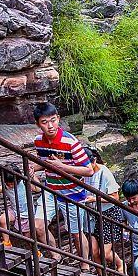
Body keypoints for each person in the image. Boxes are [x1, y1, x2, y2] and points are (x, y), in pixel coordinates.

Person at [32, 101, 95, 265]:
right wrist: (33, 167)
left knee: (76, 233)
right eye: (44, 122)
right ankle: (56, 255)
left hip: (73, 194)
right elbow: (44, 161)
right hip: (51, 189)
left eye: (53, 120)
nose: (50, 126)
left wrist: (63, 167)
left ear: (58, 119)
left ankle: (85, 265)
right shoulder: (38, 141)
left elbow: (88, 170)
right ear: (38, 124)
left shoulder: (71, 142)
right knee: (38, 225)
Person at [85, 150, 125, 273]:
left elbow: (115, 198)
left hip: (108, 215)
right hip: (92, 214)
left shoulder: (105, 174)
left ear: (94, 161)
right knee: (94, 251)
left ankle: (120, 264)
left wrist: (94, 199)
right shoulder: (84, 172)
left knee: (105, 253)